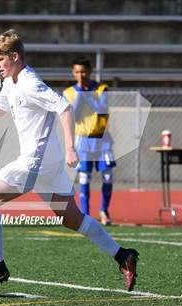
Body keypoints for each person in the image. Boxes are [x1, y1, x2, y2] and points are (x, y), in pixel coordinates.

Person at [0, 29, 139, 291]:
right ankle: (123, 255)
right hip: (48, 166)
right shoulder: (11, 82)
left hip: (35, 162)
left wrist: (72, 148)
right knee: (71, 218)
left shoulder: (30, 82)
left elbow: (64, 107)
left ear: (14, 56)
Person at [63, 57, 116, 226]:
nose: (81, 75)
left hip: (102, 138)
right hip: (83, 140)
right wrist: (81, 94)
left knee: (107, 175)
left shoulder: (101, 88)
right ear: (73, 73)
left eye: (84, 71)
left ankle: (104, 211)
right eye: (77, 72)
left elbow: (101, 110)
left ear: (90, 71)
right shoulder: (69, 92)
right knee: (84, 177)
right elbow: (76, 117)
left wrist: (87, 95)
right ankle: (86, 214)